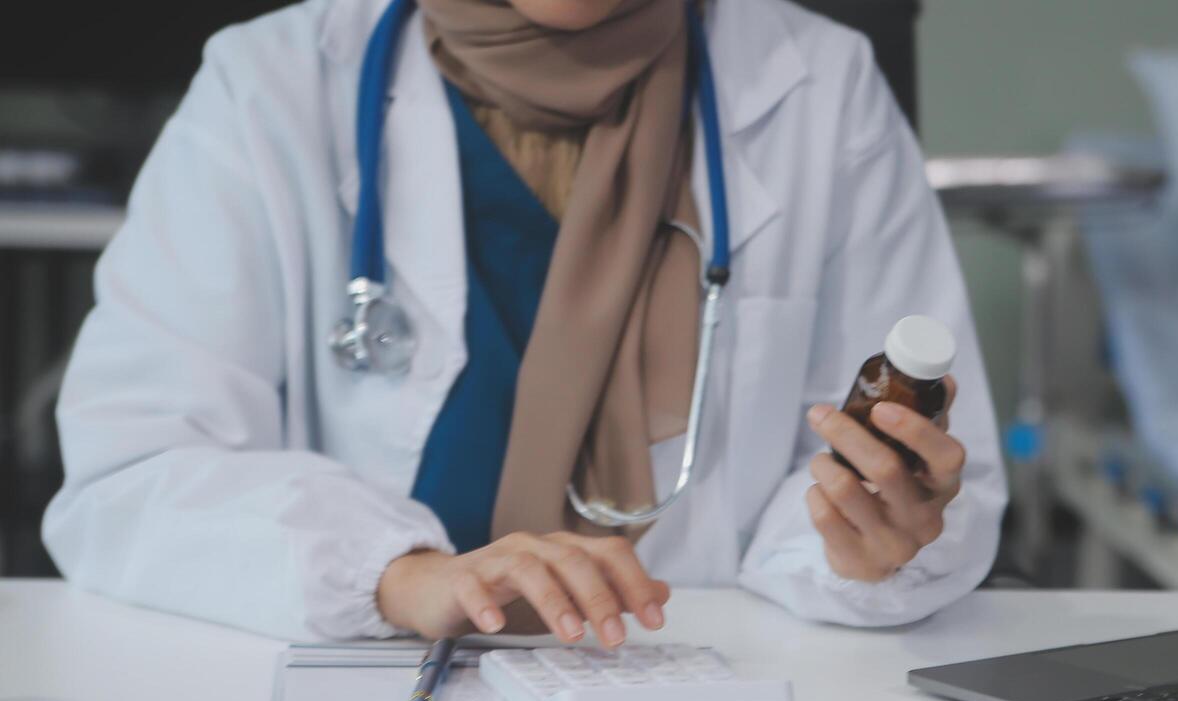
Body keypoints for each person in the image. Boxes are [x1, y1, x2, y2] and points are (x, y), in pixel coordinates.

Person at [43, 0, 1005, 644]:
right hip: (369, 697)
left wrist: (861, 548)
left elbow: (896, 472)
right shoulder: (272, 85)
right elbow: (133, 473)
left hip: (704, 690)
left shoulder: (816, 87)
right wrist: (396, 575)